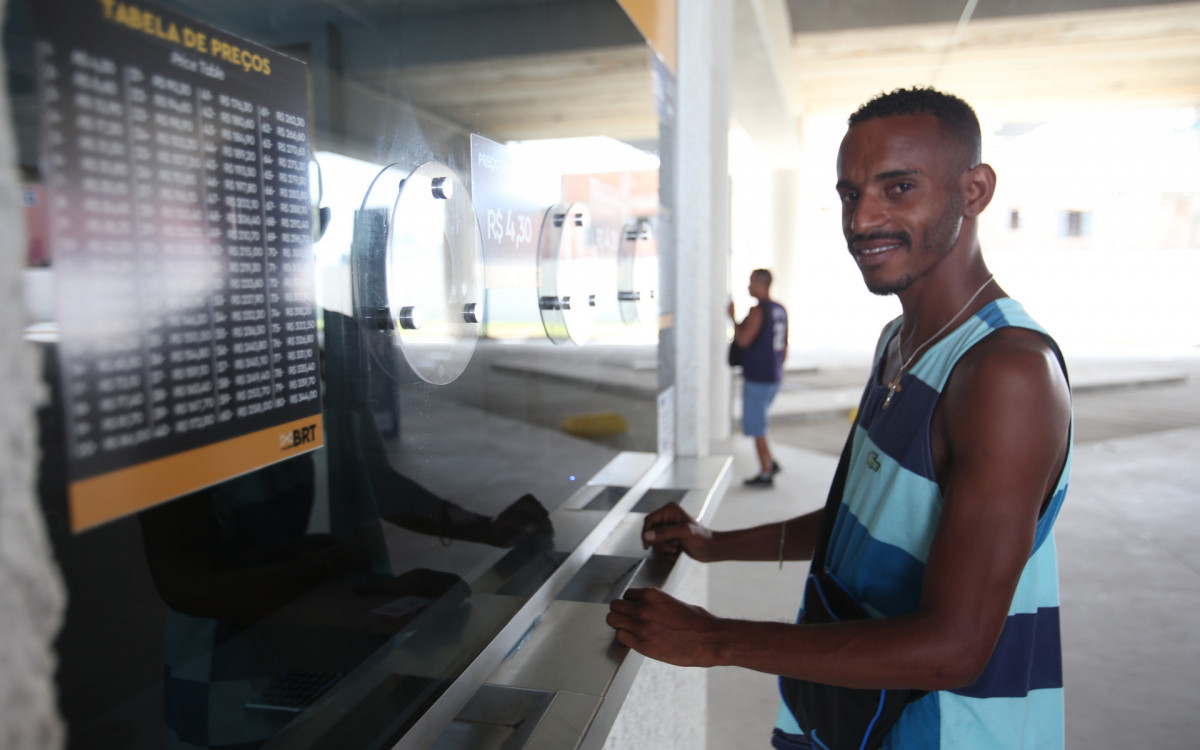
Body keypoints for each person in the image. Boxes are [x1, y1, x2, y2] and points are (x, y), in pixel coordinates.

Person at [608, 87, 1073, 749]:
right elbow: (870, 515)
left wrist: (714, 639)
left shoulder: (1006, 373)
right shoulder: (900, 341)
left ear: (975, 191)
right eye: (851, 194)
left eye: (899, 187)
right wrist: (717, 544)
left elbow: (956, 647)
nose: (862, 220)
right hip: (852, 718)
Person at [729, 269, 789, 486]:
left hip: (757, 377)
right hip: (773, 376)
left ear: (760, 284)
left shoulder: (758, 311)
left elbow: (743, 340)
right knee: (761, 422)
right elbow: (784, 346)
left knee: (758, 427)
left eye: (751, 282)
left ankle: (765, 471)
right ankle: (770, 461)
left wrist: (733, 319)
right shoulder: (780, 310)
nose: (748, 286)